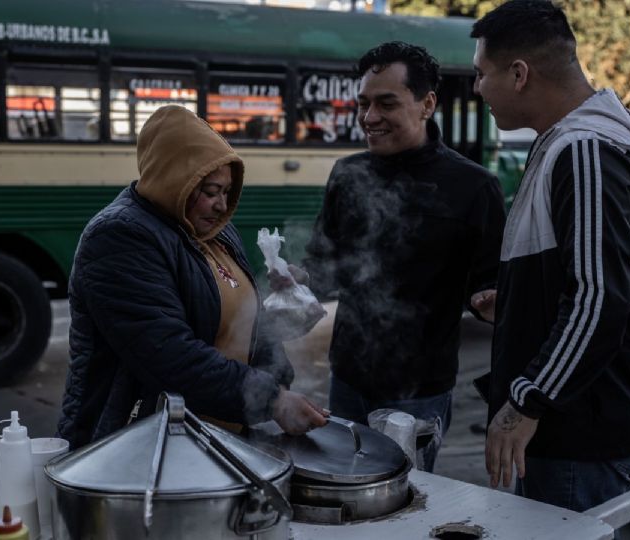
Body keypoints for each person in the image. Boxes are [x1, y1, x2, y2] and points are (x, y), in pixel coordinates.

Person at [471, 0, 630, 513]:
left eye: (482, 74)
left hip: (582, 430)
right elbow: (593, 277)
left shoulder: (585, 150)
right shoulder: (577, 141)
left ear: (519, 74)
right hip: (588, 421)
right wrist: (524, 302)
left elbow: (599, 297)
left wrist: (526, 401)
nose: (478, 88)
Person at [56, 105, 327, 449]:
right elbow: (167, 351)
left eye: (227, 193)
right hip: (136, 443)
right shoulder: (118, 237)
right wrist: (271, 400)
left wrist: (285, 316)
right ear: (173, 180)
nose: (221, 205)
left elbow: (236, 325)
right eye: (211, 192)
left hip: (218, 436)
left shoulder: (216, 233)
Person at [301, 41, 506, 472]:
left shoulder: (473, 187)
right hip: (348, 378)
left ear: (427, 103)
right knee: (346, 493)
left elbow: (490, 283)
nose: (369, 118)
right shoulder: (348, 173)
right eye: (363, 104)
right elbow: (322, 268)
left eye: (386, 103)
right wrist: (293, 283)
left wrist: (489, 299)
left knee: (404, 504)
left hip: (420, 390)